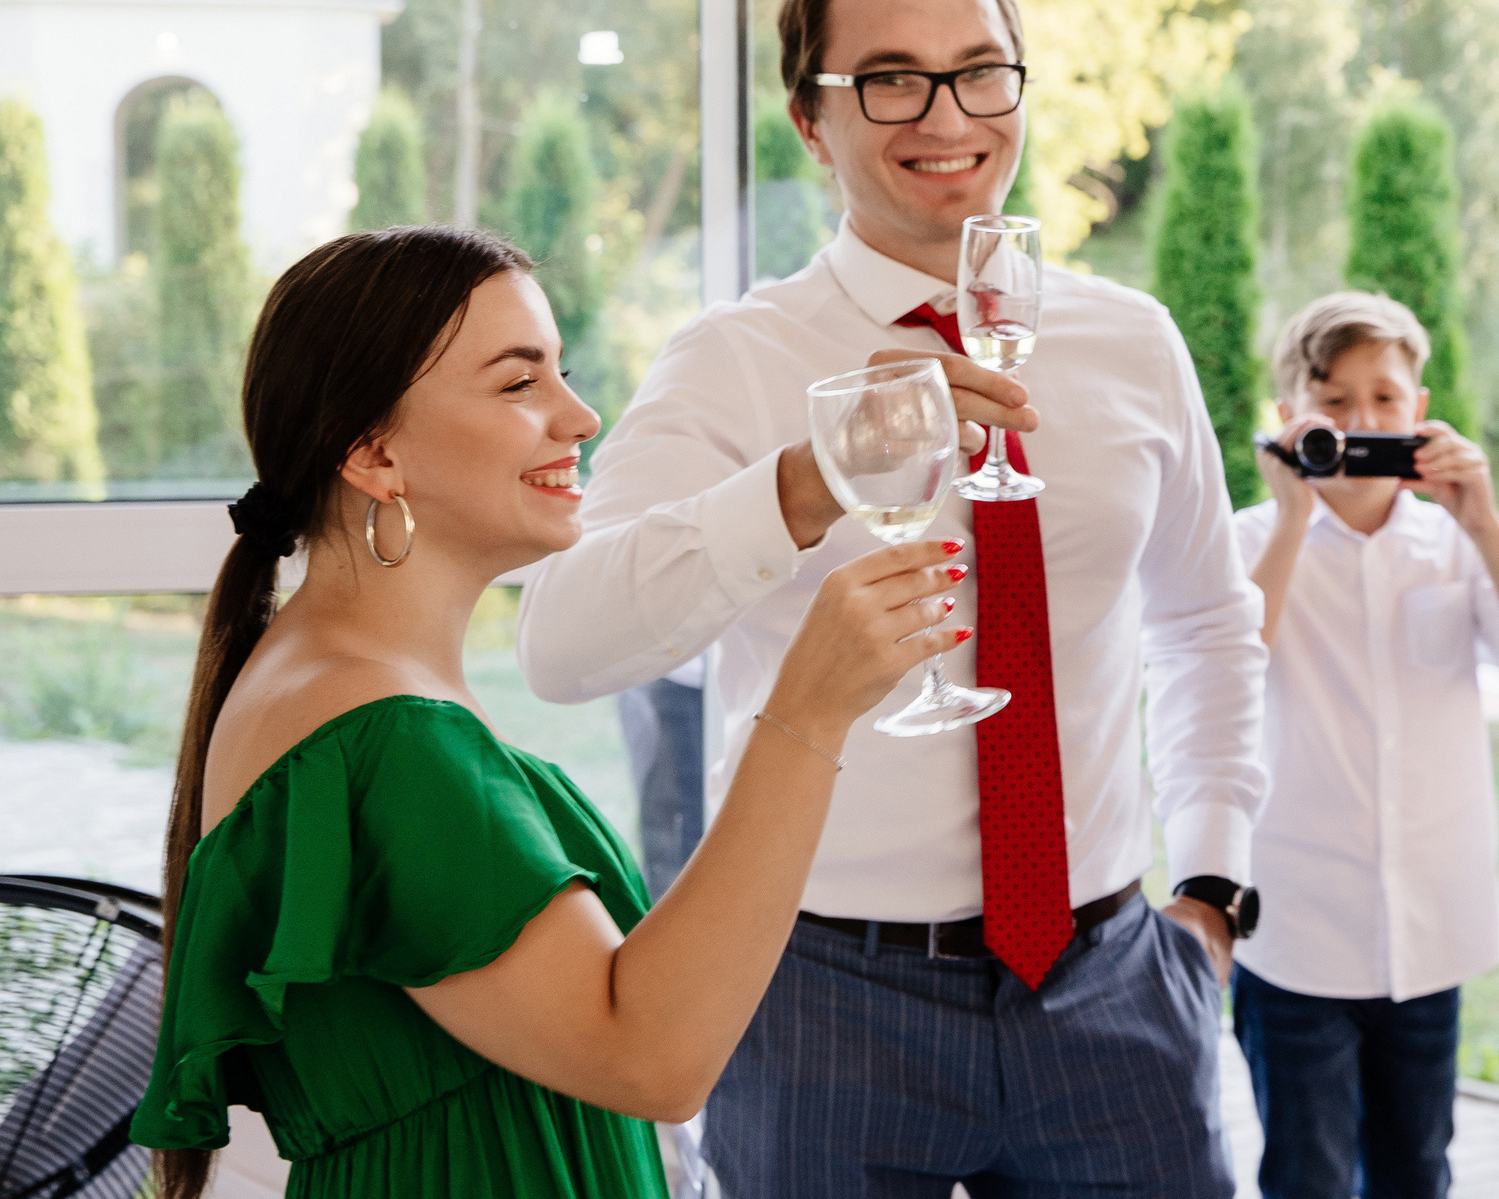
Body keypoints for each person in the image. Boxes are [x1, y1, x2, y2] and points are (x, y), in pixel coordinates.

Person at [515, 0, 1267, 1197]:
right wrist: (811, 478)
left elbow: (1205, 622)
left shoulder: (1134, 342)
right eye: (890, 80)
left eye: (980, 71)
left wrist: (1209, 890)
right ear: (811, 122)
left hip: (1111, 986)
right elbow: (561, 641)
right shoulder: (735, 360)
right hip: (818, 1001)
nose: (947, 115)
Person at [133, 226, 965, 1199]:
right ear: (374, 453)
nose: (580, 415)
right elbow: (654, 1058)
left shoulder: (322, 677)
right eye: (520, 382)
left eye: (560, 371)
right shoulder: (381, 733)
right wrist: (809, 712)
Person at [1232, 293, 1499, 1199]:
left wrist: (1484, 520)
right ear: (1289, 415)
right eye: (1333, 402)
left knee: (1417, 1170)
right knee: (1304, 1175)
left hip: (1429, 930)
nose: (1361, 422)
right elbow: (1228, 676)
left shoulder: (1455, 544)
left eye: (1384, 399)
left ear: (1418, 411)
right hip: (1298, 931)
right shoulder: (1250, 543)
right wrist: (1292, 516)